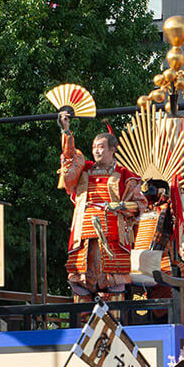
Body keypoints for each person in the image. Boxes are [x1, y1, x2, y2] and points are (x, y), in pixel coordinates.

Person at [57, 111, 145, 301]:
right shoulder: (84, 169)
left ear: (113, 149)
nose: (97, 151)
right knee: (81, 284)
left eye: (101, 147)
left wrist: (119, 206)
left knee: (113, 292)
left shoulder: (125, 175)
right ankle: (82, 327)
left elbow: (139, 205)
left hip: (112, 235)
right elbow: (70, 157)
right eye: (94, 147)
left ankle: (113, 327)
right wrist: (66, 130)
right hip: (84, 233)